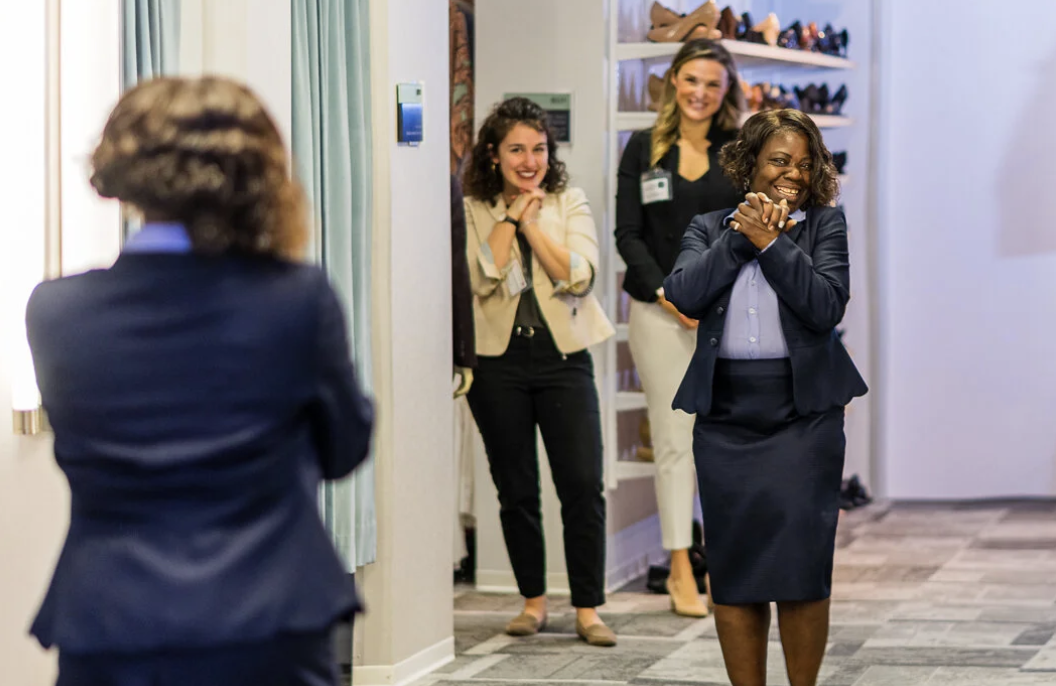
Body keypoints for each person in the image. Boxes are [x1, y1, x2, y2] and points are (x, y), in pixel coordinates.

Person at [25, 76, 373, 686]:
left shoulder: (55, 311)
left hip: (113, 621)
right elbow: (345, 449)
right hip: (269, 619)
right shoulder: (297, 300)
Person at [663, 109, 867, 686]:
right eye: (780, 160)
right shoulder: (708, 227)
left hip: (804, 419)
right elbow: (684, 293)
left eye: (805, 164)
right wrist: (740, 238)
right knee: (734, 568)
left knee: (802, 568)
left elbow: (825, 306)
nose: (793, 174)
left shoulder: (826, 225)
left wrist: (772, 241)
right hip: (726, 420)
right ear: (750, 162)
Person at [462, 97, 617, 647]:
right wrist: (508, 217)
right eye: (517, 150)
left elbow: (578, 276)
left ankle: (588, 608)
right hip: (498, 363)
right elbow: (482, 275)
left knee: (581, 485)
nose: (530, 161)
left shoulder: (567, 200)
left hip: (563, 358)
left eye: (539, 149)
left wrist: (531, 227)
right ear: (494, 154)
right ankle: (532, 601)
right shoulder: (474, 205)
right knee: (516, 489)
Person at [615, 38, 744, 617]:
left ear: (726, 92)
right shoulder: (643, 148)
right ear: (672, 81)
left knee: (727, 440)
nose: (699, 93)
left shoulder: (741, 152)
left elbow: (749, 233)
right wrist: (668, 294)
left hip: (729, 312)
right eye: (691, 80)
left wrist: (714, 293)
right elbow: (628, 235)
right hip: (658, 314)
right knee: (673, 442)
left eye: (712, 84)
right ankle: (681, 568)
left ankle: (728, 559)